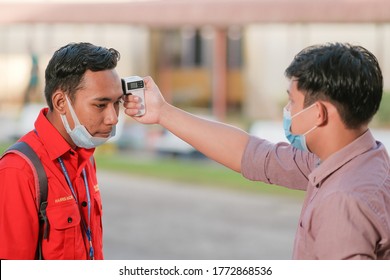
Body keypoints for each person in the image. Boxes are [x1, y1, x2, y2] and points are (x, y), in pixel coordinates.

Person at [123, 42, 390, 259]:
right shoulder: (362, 159)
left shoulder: (342, 201)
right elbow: (253, 155)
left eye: (292, 101)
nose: (287, 111)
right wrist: (163, 112)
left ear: (318, 113)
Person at [0, 42, 123, 259]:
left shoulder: (85, 155)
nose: (113, 118)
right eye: (100, 105)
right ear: (60, 102)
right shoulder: (18, 171)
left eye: (117, 103)